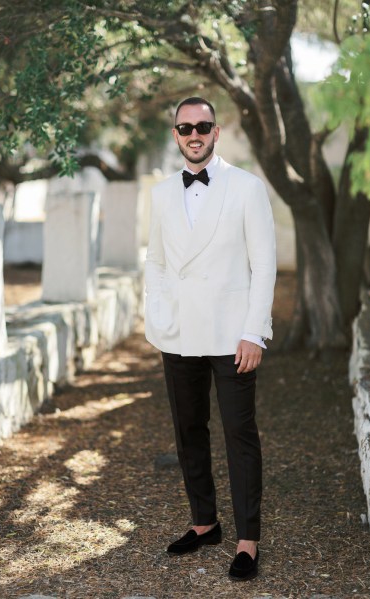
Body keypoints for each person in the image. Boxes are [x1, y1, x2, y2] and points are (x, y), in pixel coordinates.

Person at [144, 97, 276, 581]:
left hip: (232, 333)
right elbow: (156, 260)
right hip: (179, 333)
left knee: (239, 435)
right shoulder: (159, 193)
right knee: (188, 430)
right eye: (185, 127)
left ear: (216, 132)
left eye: (203, 126)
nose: (194, 134)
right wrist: (157, 316)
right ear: (176, 134)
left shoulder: (246, 187)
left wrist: (253, 332)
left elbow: (263, 264)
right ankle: (205, 524)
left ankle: (247, 540)